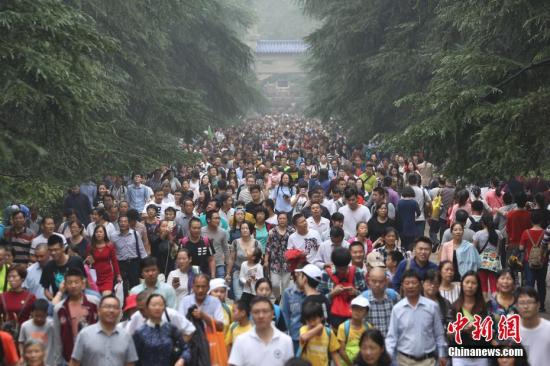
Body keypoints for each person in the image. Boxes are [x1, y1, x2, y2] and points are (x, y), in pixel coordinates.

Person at [385, 269, 447, 366]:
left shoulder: (432, 307)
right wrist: (388, 355)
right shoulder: (397, 309)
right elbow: (392, 337)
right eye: (407, 283)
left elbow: (439, 334)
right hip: (404, 361)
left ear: (421, 284)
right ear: (402, 285)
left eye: (414, 283)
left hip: (428, 361)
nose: (410, 286)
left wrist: (442, 354)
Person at [70, 294, 138, 366]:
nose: (111, 310)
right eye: (107, 307)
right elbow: (75, 362)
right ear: (98, 310)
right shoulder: (85, 334)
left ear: (119, 312)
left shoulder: (126, 336)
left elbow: (129, 363)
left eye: (115, 307)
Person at [228, 296, 294, 366]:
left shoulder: (286, 341)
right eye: (256, 312)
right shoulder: (241, 340)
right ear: (251, 315)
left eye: (265, 311)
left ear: (272, 314)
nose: (261, 316)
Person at [52, 268, 99, 365]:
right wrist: (57, 362)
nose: (73, 285)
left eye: (76, 282)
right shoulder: (59, 309)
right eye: (70, 283)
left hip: (93, 356)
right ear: (65, 285)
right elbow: (57, 338)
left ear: (83, 284)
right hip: (69, 358)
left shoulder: (94, 302)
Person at [449, 271, 490, 366]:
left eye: (473, 283)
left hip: (480, 354)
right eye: (467, 282)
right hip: (460, 355)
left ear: (478, 286)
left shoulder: (484, 307)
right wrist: (459, 329)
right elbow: (449, 329)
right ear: (462, 284)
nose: (470, 286)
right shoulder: (455, 307)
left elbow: (488, 330)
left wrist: (477, 328)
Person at [132, 293, 186, 366]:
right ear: (147, 308)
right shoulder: (140, 332)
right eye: (153, 305)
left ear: (164, 307)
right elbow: (133, 357)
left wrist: (181, 360)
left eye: (160, 305)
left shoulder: (171, 329)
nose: (157, 308)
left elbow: (186, 348)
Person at [318, 247, 366, 328]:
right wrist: (332, 294)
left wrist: (356, 293)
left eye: (345, 268)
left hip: (356, 319)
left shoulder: (358, 272)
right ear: (334, 264)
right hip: (333, 320)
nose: (342, 271)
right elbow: (319, 300)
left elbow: (366, 296)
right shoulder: (326, 274)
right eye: (339, 268)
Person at [40, 235, 86, 301]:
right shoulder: (48, 266)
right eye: (50, 250)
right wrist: (55, 301)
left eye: (56, 250)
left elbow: (84, 280)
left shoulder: (76, 261)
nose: (53, 253)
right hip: (60, 302)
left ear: (63, 248)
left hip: (78, 300)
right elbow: (46, 289)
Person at [111, 215, 148, 295]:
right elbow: (112, 252)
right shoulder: (113, 236)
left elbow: (141, 249)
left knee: (135, 285)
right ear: (118, 223)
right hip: (121, 264)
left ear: (128, 223)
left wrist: (145, 263)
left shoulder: (135, 234)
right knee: (122, 286)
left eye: (125, 221)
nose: (123, 223)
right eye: (121, 221)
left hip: (134, 263)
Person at [519, 210, 547, 311]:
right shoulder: (545, 232)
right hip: (542, 262)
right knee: (541, 284)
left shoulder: (526, 233)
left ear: (531, 221)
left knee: (529, 284)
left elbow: (521, 248)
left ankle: (529, 306)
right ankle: (542, 306)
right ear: (541, 221)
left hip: (528, 261)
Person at [298, 301, 341, 366]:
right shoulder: (304, 329)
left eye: (314, 319)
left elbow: (334, 353)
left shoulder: (328, 332)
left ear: (321, 317)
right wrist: (319, 327)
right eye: (309, 321)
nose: (312, 323)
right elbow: (304, 337)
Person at [361, 267, 400, 336]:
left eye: (381, 281)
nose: (377, 284)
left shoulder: (394, 296)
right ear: (369, 281)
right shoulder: (363, 300)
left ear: (386, 281)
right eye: (374, 281)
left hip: (391, 342)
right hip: (372, 343)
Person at [265, 212, 295, 301]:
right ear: (277, 219)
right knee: (275, 284)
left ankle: (283, 302)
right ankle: (279, 299)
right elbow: (268, 247)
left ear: (287, 220)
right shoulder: (272, 231)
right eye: (280, 218)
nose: (282, 220)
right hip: (275, 261)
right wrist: (266, 260)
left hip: (287, 262)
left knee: (285, 285)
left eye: (284, 218)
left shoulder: (292, 231)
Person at [517, 286, 550, 366]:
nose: (526, 307)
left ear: (538, 305)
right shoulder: (511, 331)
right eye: (522, 303)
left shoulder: (548, 329)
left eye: (530, 302)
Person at [227, 222, 261, 300]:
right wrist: (228, 273)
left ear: (250, 230)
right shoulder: (235, 242)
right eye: (243, 228)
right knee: (238, 297)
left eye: (247, 228)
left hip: (252, 274)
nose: (245, 230)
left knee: (252, 297)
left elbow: (258, 260)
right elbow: (232, 258)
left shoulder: (256, 243)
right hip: (238, 272)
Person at [84, 225, 121, 295]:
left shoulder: (110, 246)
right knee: (97, 298)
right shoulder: (90, 247)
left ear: (104, 234)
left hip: (108, 276)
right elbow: (88, 263)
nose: (98, 234)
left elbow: (114, 261)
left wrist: (118, 275)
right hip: (95, 276)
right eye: (97, 232)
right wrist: (89, 261)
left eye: (101, 232)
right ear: (94, 234)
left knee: (106, 296)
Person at [473, 213, 503, 297]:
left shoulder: (478, 234)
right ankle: (495, 305)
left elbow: (474, 249)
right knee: (494, 285)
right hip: (494, 261)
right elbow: (499, 248)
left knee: (483, 286)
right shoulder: (498, 233)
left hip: (481, 261)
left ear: (482, 222)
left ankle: (485, 306)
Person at [337, 296, 373, 365]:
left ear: (366, 312)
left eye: (361, 309)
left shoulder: (368, 327)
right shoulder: (343, 327)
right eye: (355, 308)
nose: (357, 311)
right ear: (351, 309)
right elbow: (341, 351)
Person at [18, 299, 55, 366]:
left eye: (42, 316)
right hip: (30, 361)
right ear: (32, 313)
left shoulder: (52, 325)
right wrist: (22, 355)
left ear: (47, 314)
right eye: (36, 316)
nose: (39, 319)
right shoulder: (25, 326)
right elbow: (21, 342)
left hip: (48, 362)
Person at [487, 269, 518, 339]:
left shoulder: (519, 303)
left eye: (509, 279)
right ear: (497, 283)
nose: (505, 281)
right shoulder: (490, 303)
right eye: (502, 278)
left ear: (514, 284)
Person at [396, 187, 420, 251]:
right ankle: (409, 257)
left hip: (401, 227)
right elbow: (419, 213)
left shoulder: (399, 203)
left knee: (403, 244)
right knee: (410, 244)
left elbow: (397, 213)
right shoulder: (414, 203)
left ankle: (403, 257)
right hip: (411, 226)